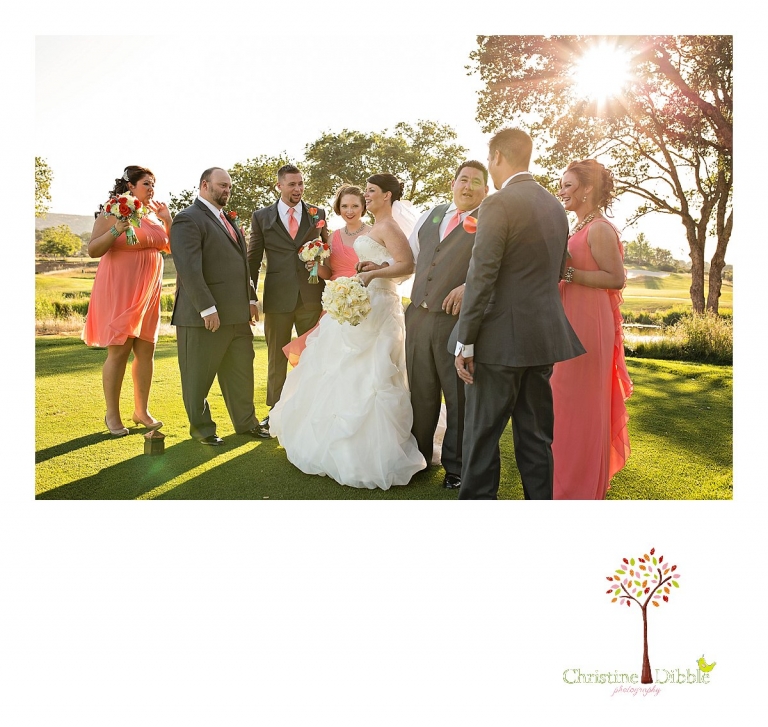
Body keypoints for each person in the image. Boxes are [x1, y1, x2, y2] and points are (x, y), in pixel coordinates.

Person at [269, 174, 426, 489]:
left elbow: (407, 265)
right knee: (336, 368)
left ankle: (376, 450)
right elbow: (380, 262)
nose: (366, 196)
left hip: (380, 307)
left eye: (370, 192)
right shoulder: (376, 228)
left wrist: (371, 275)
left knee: (376, 375)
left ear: (386, 196)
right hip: (363, 302)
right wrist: (367, 271)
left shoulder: (388, 226)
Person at [452, 128, 585, 500]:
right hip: (542, 341)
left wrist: (466, 340)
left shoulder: (499, 203)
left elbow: (482, 275)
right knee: (536, 440)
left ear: (496, 157)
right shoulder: (555, 206)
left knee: (481, 440)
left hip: (498, 345)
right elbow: (559, 269)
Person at [404, 160, 488, 490]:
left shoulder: (490, 221)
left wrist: (470, 286)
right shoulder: (430, 215)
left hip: (456, 322)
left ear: (486, 190)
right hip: (417, 317)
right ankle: (420, 457)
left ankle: (457, 467)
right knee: (420, 393)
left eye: (476, 182)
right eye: (462, 179)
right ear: (452, 183)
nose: (467, 186)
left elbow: (499, 268)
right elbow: (409, 260)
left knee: (458, 397)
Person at [552, 159, 633, 499]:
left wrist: (567, 274)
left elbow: (617, 278)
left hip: (589, 324)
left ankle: (581, 486)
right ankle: (563, 481)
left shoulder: (599, 228)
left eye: (568, 184)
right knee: (563, 402)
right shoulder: (578, 228)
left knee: (581, 405)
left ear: (587, 189)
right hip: (569, 318)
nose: (562, 191)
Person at [170, 167, 262, 445]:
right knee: (198, 376)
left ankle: (246, 424)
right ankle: (203, 430)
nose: (227, 191)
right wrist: (207, 308)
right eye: (222, 185)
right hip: (203, 316)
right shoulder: (187, 219)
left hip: (237, 314)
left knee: (241, 372)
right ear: (204, 185)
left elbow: (241, 264)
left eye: (229, 187)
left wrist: (250, 297)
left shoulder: (227, 219)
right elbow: (189, 269)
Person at [82, 165, 172, 437]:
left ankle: (141, 411)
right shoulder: (113, 209)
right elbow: (93, 250)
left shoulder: (152, 214)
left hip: (149, 292)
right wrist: (116, 229)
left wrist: (167, 220)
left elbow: (168, 246)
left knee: (146, 350)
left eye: (153, 184)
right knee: (119, 350)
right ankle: (112, 414)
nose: (152, 188)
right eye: (146, 183)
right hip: (121, 289)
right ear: (130, 186)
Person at [248, 164, 330, 435]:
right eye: (292, 184)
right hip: (277, 298)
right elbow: (254, 258)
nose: (298, 189)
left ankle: (309, 411)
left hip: (311, 296)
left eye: (301, 184)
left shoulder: (318, 213)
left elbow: (328, 251)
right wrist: (250, 295)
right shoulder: (261, 217)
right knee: (276, 358)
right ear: (279, 186)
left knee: (309, 357)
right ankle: (274, 412)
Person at [281, 184, 372, 366]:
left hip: (364, 301)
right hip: (336, 305)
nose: (349, 211)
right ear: (338, 207)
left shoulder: (373, 234)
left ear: (363, 206)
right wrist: (315, 266)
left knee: (360, 358)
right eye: (345, 206)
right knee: (330, 359)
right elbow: (329, 272)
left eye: (355, 206)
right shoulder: (333, 237)